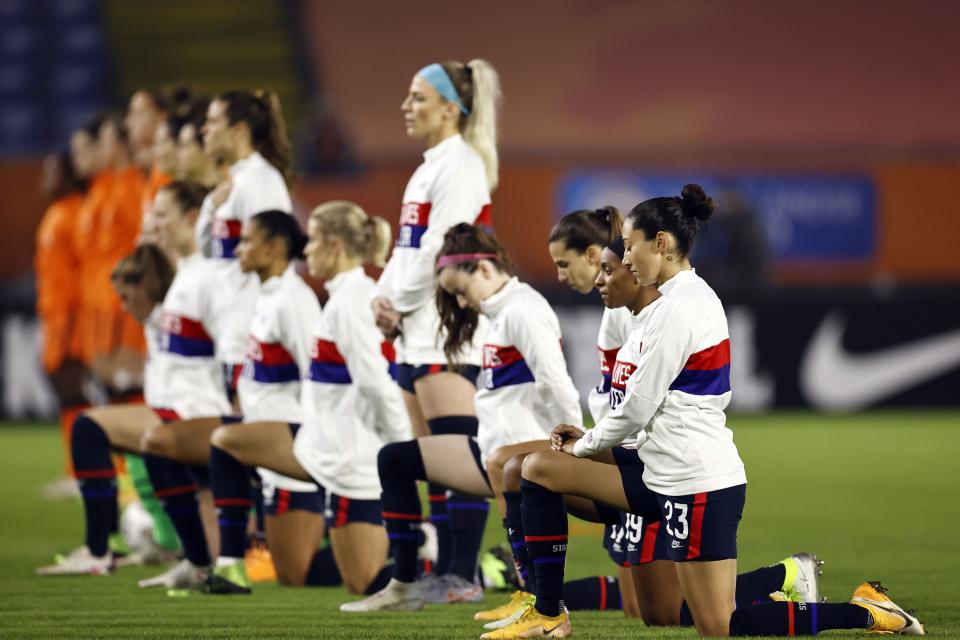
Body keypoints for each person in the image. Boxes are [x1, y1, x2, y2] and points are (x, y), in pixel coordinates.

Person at [490, 185, 924, 638]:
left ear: (661, 243)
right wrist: (587, 443)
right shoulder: (660, 307)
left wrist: (587, 443)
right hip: (662, 470)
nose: (626, 257)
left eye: (631, 245)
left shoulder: (683, 307)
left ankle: (866, 612)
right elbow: (633, 403)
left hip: (695, 481)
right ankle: (547, 612)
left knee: (719, 625)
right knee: (536, 470)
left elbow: (638, 406)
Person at [341, 223, 581, 613]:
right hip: (492, 451)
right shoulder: (501, 313)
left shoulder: (524, 309)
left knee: (503, 468)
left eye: (461, 292)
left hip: (522, 454)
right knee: (395, 459)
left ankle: (540, 605)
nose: (463, 303)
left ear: (484, 270)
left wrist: (575, 446)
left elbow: (556, 383)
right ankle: (405, 587)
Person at [204, 201, 410, 596]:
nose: (306, 249)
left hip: (352, 456)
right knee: (326, 576)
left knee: (365, 581)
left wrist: (401, 456)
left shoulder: (349, 302)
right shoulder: (343, 297)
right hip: (328, 446)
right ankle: (425, 549)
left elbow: (375, 383)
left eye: (312, 240)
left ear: (334, 246)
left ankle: (442, 557)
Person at [371, 59, 502, 591]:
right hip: (416, 329)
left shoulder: (461, 165)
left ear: (451, 108)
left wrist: (395, 301)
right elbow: (407, 250)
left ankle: (462, 572)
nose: (407, 106)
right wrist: (384, 298)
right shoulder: (430, 166)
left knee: (457, 455)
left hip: (447, 331)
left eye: (418, 97)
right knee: (432, 463)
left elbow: (443, 249)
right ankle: (447, 574)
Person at [36, 242, 176, 575]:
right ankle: (167, 544)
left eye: (127, 298)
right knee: (133, 452)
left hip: (186, 415)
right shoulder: (159, 321)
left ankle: (98, 550)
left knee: (88, 429)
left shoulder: (171, 319)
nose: (124, 309)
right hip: (176, 410)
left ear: (147, 287)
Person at [35, 151, 89, 478]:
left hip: (71, 315)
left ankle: (84, 467)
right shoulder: (57, 213)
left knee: (71, 389)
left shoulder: (75, 212)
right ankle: (76, 467)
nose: (46, 176)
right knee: (63, 388)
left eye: (52, 170)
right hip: (54, 314)